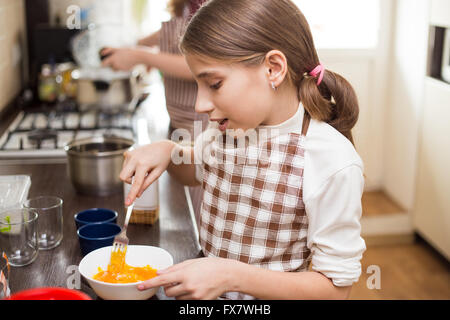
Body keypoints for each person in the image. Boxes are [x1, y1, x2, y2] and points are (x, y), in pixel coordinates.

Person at [120, 0, 366, 299]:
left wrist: (231, 276)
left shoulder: (331, 160)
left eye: (214, 84)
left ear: (273, 69)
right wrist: (169, 152)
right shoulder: (229, 127)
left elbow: (334, 291)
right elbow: (195, 175)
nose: (200, 105)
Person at [102, 0, 208, 225]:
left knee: (202, 214)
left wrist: (142, 55)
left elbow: (203, 65)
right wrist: (137, 44)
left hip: (204, 126)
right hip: (181, 126)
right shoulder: (186, 4)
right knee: (187, 216)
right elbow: (181, 32)